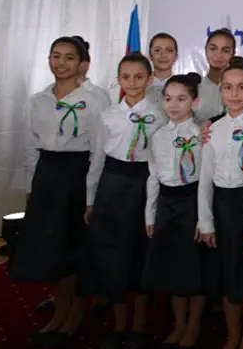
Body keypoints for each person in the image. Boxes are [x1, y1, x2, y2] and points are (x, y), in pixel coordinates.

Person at [11, 36, 107, 346]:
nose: (61, 63)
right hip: (48, 177)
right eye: (55, 56)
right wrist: (32, 188)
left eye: (69, 57)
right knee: (51, 249)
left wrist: (91, 196)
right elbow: (29, 147)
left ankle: (76, 311)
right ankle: (60, 310)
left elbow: (99, 152)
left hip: (78, 176)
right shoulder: (37, 100)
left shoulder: (96, 99)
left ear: (82, 64)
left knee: (74, 247)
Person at [79, 52, 167, 349]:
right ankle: (118, 323)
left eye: (139, 76)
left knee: (140, 252)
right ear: (118, 80)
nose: (132, 82)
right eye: (126, 77)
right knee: (111, 253)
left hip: (144, 185)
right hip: (113, 186)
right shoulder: (108, 115)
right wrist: (91, 198)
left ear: (150, 79)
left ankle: (139, 324)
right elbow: (97, 159)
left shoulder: (160, 115)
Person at [198, 58, 243, 349]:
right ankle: (232, 335)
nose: (235, 94)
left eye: (242, 88)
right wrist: (205, 221)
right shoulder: (212, 129)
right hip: (221, 206)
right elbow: (205, 178)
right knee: (227, 276)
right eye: (228, 88)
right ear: (221, 92)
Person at [141, 73, 207, 348]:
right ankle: (179, 325)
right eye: (168, 99)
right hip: (167, 206)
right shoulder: (157, 135)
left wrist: (204, 217)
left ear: (195, 101)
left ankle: (193, 326)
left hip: (192, 203)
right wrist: (150, 213)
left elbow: (206, 177)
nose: (174, 105)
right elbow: (153, 176)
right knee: (173, 271)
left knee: (194, 270)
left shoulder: (203, 134)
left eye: (181, 99)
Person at [109, 33, 179, 105]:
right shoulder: (137, 85)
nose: (163, 55)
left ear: (176, 56)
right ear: (150, 56)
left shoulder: (182, 86)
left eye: (169, 50)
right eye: (157, 50)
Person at [195, 28, 236, 123]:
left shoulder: (241, 88)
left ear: (233, 54)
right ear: (205, 50)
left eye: (225, 51)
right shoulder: (195, 87)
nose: (218, 55)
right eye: (213, 49)